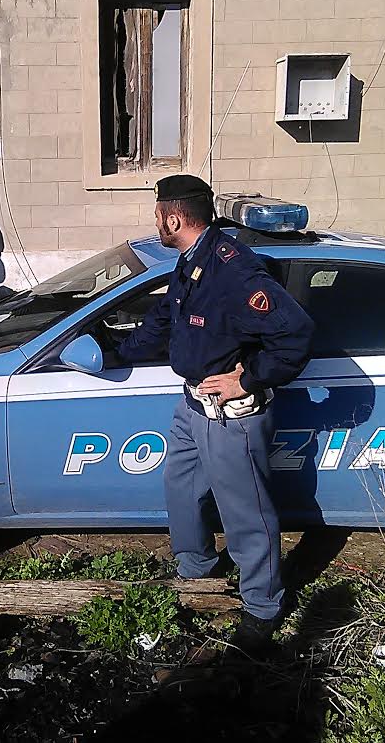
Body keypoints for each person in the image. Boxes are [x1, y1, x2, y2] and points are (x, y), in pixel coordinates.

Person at [114, 174, 315, 648]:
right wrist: (114, 351)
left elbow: (296, 333)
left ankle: (262, 606)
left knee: (246, 513)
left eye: (158, 215)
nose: (155, 223)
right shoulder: (192, 260)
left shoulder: (233, 273)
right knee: (181, 488)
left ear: (174, 219)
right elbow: (166, 318)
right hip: (192, 406)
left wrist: (247, 379)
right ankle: (195, 570)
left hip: (231, 415)